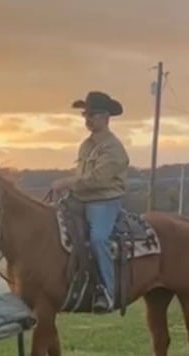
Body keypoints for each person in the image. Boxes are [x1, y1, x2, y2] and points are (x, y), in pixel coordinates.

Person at [50, 91, 130, 313]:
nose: (88, 119)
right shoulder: (86, 145)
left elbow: (97, 179)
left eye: (93, 115)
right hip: (81, 199)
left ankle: (108, 292)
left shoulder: (113, 148)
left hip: (104, 202)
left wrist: (67, 182)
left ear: (106, 117)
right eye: (85, 115)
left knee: (98, 239)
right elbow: (82, 177)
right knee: (51, 225)